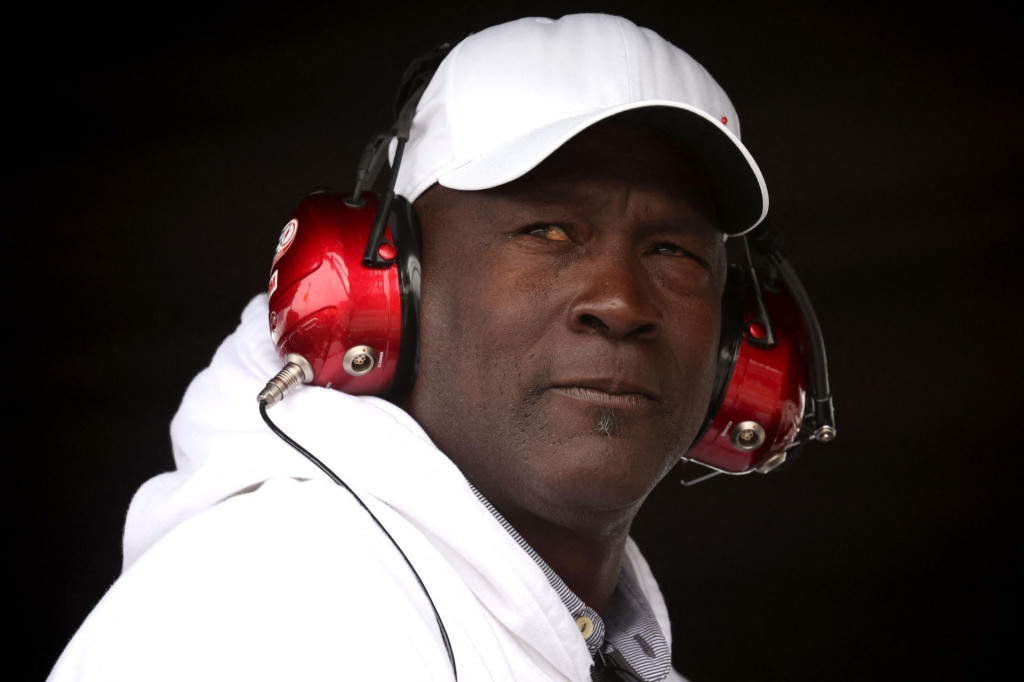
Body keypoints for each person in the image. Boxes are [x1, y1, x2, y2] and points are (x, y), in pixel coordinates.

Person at [48, 13, 772, 682]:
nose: (620, 301)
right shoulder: (270, 610)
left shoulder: (575, 645)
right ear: (384, 282)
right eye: (547, 230)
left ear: (734, 339)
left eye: (675, 250)